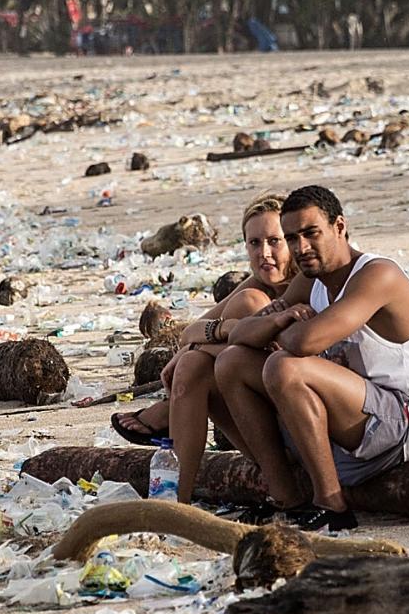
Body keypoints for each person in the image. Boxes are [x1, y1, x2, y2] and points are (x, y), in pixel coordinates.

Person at [213, 186, 409, 532]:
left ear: (339, 227)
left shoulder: (377, 275)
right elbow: (239, 336)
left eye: (312, 234)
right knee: (231, 363)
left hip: (406, 421)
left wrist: (276, 322)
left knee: (284, 367)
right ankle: (286, 498)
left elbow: (305, 341)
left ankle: (332, 505)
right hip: (355, 419)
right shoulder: (313, 282)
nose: (302, 248)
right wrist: (279, 320)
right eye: (292, 238)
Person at [109, 196, 293, 487]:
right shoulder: (260, 281)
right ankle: (177, 501)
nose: (264, 253)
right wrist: (215, 337)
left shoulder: (307, 285)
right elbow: (190, 332)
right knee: (194, 363)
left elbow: (280, 356)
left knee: (243, 309)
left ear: (294, 240)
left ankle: (171, 412)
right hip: (260, 431)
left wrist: (202, 344)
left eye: (275, 241)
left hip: (303, 425)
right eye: (254, 243)